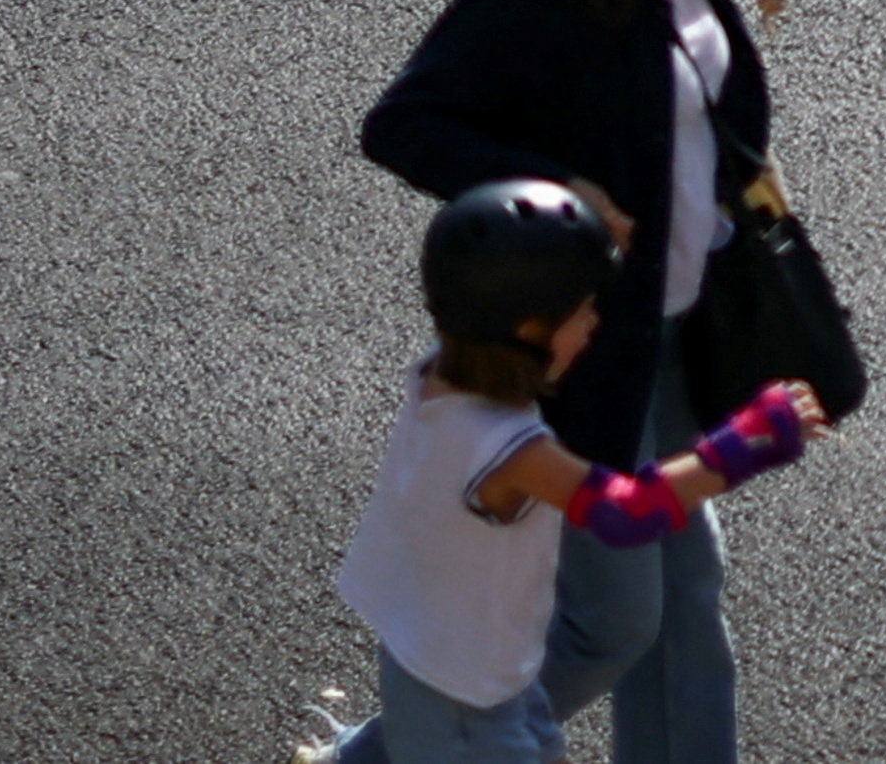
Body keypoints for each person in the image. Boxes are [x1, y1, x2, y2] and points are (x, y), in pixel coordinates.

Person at [360, 0, 820, 764]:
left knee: (687, 600)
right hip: (586, 351)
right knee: (617, 625)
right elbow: (404, 123)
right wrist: (557, 188)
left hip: (667, 327)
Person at [321, 181, 822, 764]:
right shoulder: (511, 450)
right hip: (468, 709)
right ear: (530, 330)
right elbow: (627, 511)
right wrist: (741, 447)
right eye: (584, 310)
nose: (594, 326)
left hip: (448, 669)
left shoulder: (440, 381)